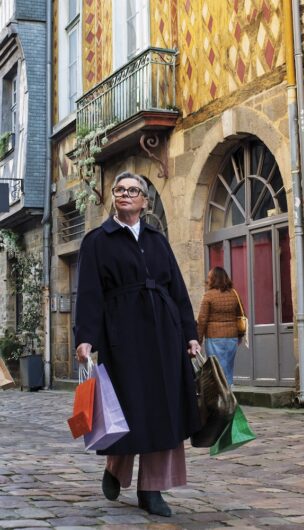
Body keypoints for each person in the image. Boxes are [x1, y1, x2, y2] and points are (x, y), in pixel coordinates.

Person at [74, 171, 201, 517]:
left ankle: (152, 489)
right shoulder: (97, 241)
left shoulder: (158, 240)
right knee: (129, 407)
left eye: (133, 190)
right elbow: (88, 294)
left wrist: (190, 334)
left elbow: (178, 291)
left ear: (144, 201)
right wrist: (85, 337)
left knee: (164, 410)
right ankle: (116, 467)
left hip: (165, 334)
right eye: (120, 190)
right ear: (114, 197)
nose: (126, 194)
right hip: (123, 336)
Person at [197, 266, 245, 386]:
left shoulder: (208, 295)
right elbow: (241, 315)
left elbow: (202, 319)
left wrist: (198, 339)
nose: (208, 280)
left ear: (214, 279)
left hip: (214, 337)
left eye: (209, 278)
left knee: (216, 371)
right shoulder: (234, 294)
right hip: (232, 337)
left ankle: (221, 399)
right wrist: (240, 335)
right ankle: (229, 396)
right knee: (228, 369)